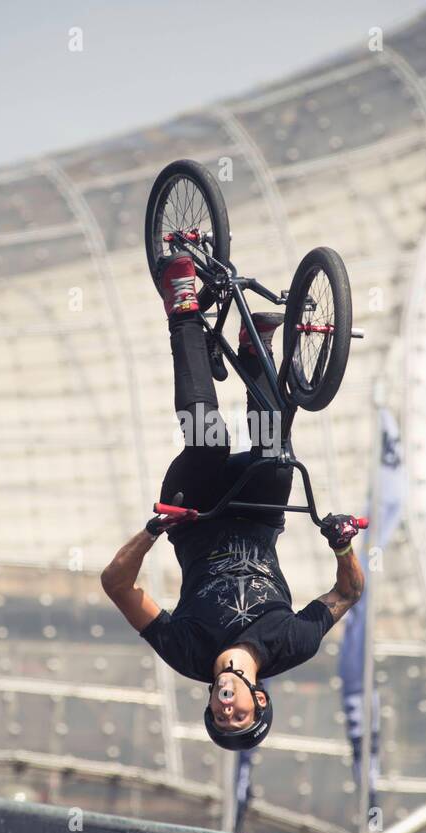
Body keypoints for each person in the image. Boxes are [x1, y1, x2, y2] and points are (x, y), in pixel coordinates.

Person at [101, 251, 364, 752]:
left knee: (208, 438)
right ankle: (254, 346)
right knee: (276, 454)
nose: (226, 710)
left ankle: (182, 309)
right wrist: (342, 546)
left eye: (219, 719)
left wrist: (154, 530)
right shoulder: (292, 643)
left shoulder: (188, 653)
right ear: (259, 700)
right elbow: (347, 594)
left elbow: (115, 584)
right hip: (259, 515)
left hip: (193, 513)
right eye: (237, 717)